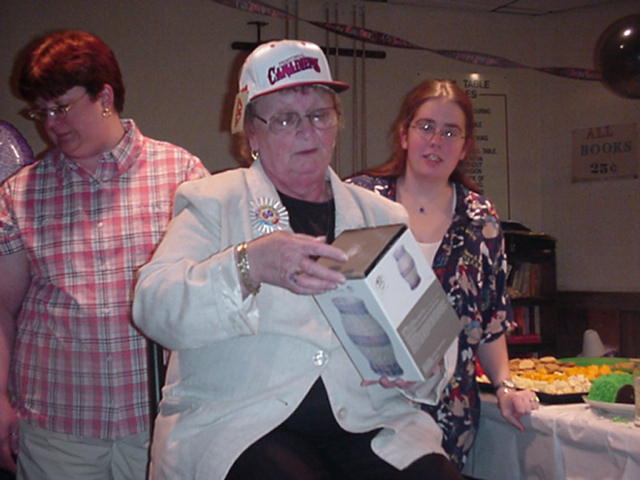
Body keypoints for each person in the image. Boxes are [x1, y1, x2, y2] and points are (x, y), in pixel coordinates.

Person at [133, 40, 466, 480]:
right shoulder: (215, 201)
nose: (308, 132)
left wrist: (418, 369)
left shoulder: (381, 215)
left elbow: (432, 337)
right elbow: (153, 306)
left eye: (319, 115)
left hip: (368, 421)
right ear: (252, 134)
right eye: (286, 119)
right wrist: (247, 266)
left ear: (336, 123)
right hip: (243, 422)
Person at [0, 29, 208, 479]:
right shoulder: (20, 193)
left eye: (62, 107)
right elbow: (2, 307)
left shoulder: (182, 174)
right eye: (41, 111)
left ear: (105, 96)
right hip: (57, 430)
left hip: (157, 420)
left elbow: (205, 296)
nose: (50, 124)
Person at [348, 78, 539, 470]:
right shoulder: (361, 201)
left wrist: (504, 386)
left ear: (465, 148)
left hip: (448, 412)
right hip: (366, 403)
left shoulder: (480, 218)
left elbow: (490, 320)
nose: (436, 141)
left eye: (451, 132)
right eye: (426, 127)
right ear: (404, 135)